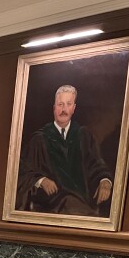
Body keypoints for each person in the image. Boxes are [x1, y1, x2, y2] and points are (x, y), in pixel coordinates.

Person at [17, 85, 113, 216]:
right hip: (51, 202)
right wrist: (41, 180)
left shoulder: (83, 135)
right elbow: (23, 170)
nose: (64, 109)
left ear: (74, 108)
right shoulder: (39, 139)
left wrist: (105, 181)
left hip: (82, 198)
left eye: (68, 104)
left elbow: (96, 163)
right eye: (60, 104)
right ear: (54, 108)